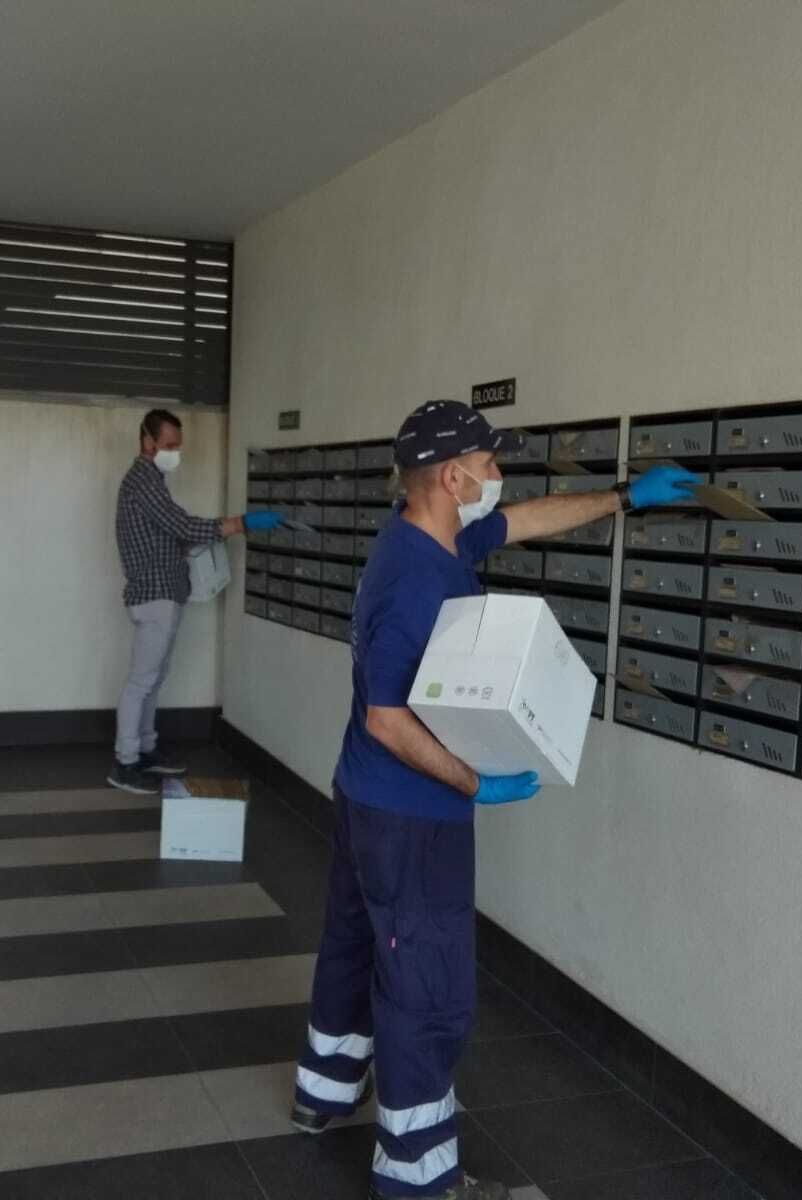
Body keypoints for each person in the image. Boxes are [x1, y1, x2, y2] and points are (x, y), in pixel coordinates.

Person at [290, 400, 698, 1200]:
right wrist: (477, 782)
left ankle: (325, 1092)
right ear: (452, 475)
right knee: (428, 989)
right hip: (411, 818)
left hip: (364, 805)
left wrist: (622, 497)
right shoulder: (413, 577)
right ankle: (421, 1176)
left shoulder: (429, 538)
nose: (497, 475)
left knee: (352, 951)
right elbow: (385, 718)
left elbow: (520, 522)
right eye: (489, 462)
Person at [110, 408, 283, 794]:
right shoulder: (143, 482)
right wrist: (240, 523)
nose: (175, 453)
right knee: (141, 682)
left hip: (164, 593)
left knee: (152, 680)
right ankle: (125, 763)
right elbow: (183, 526)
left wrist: (206, 536)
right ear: (147, 441)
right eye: (169, 446)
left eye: (178, 446)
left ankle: (145, 750)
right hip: (154, 595)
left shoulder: (151, 481)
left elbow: (174, 533)